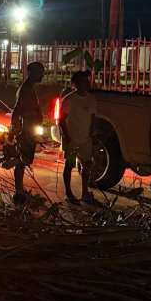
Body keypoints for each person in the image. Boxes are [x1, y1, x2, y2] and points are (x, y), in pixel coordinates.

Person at [60, 70, 99, 205]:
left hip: (85, 139)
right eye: (82, 81)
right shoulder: (69, 100)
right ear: (75, 84)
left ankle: (84, 192)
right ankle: (69, 192)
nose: (86, 83)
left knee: (87, 165)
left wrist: (92, 133)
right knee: (69, 165)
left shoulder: (91, 99)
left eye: (86, 81)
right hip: (72, 139)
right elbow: (61, 120)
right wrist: (66, 136)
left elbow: (93, 118)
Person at [10, 62, 45, 204]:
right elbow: (17, 110)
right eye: (40, 72)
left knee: (23, 161)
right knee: (22, 161)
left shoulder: (29, 88)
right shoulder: (26, 89)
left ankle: (20, 190)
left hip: (29, 130)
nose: (42, 75)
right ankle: (18, 191)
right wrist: (16, 130)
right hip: (25, 131)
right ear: (32, 72)